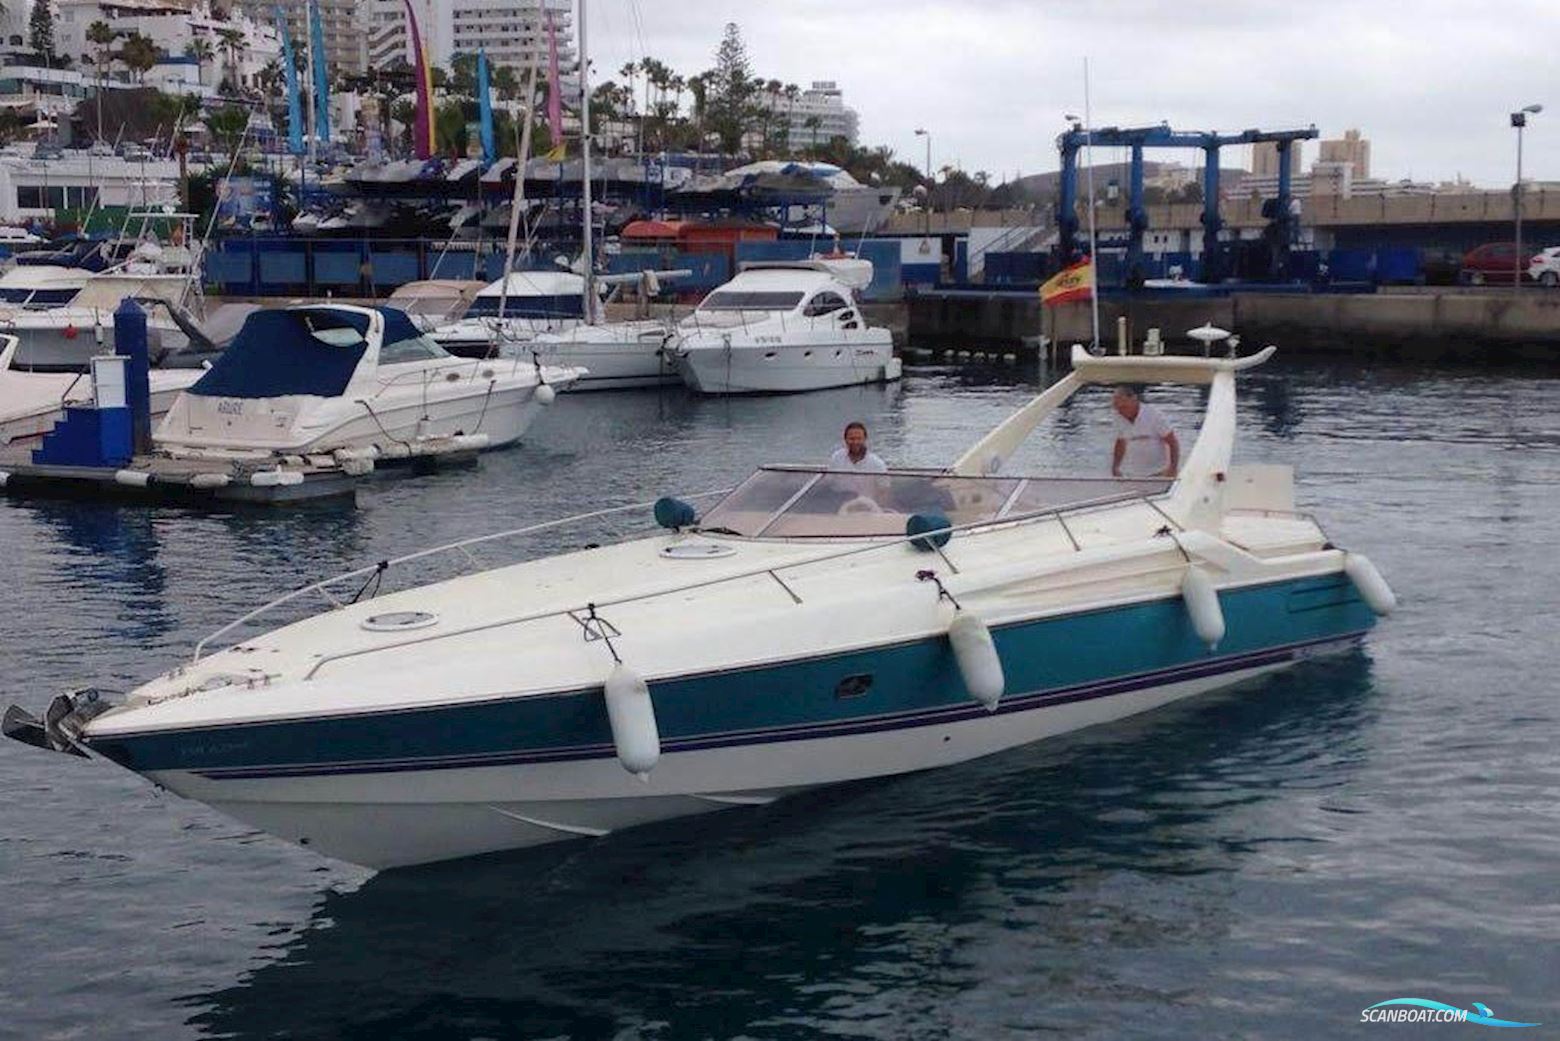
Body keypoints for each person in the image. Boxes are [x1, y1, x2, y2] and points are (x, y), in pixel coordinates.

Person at [1110, 385, 1179, 478]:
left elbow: (1172, 442)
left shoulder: (1154, 415)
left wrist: (1173, 469)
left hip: (1158, 471)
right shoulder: (1118, 415)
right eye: (1117, 408)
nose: (1121, 411)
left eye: (1124, 407)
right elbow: (1120, 442)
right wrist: (1115, 467)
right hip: (1130, 473)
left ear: (1134, 400)